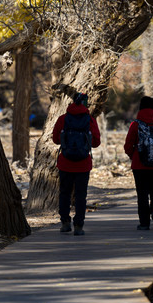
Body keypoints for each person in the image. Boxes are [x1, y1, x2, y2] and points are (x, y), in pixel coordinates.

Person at [52, 93, 101, 236]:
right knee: (81, 195)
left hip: (65, 162)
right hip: (83, 164)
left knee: (64, 193)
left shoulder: (63, 118)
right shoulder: (90, 120)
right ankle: (79, 226)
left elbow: (56, 139)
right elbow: (96, 142)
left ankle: (65, 223)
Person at [124, 96, 153, 230]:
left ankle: (144, 223)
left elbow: (128, 145)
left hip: (139, 165)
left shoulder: (135, 124)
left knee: (142, 193)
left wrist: (134, 156)